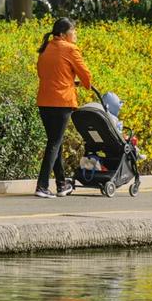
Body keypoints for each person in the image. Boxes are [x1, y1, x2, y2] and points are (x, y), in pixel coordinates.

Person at [35, 17, 92, 198]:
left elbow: (44, 73)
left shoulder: (45, 49)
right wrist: (85, 84)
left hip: (45, 102)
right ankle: (42, 185)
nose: (75, 34)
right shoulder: (70, 49)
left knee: (55, 142)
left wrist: (68, 80)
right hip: (61, 102)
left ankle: (61, 184)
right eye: (72, 31)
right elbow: (86, 75)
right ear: (62, 34)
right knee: (54, 143)